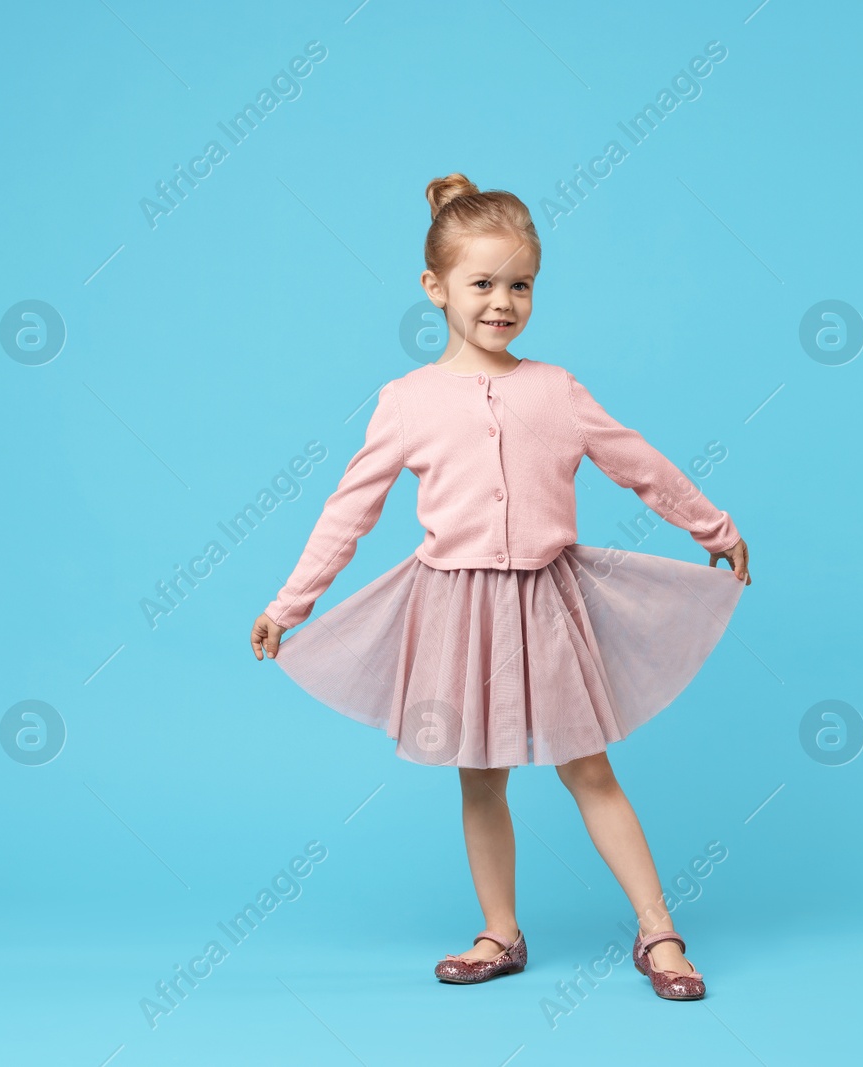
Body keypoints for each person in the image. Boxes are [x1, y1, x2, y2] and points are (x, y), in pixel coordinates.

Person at [249, 172, 750, 1001]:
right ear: (434, 287)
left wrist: (714, 527)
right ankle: (500, 931)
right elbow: (349, 513)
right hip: (455, 610)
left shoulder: (556, 389)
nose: (502, 301)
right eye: (482, 283)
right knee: (479, 775)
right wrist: (288, 603)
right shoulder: (406, 401)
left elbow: (640, 465)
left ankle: (658, 928)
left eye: (520, 284)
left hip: (547, 604)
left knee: (588, 769)